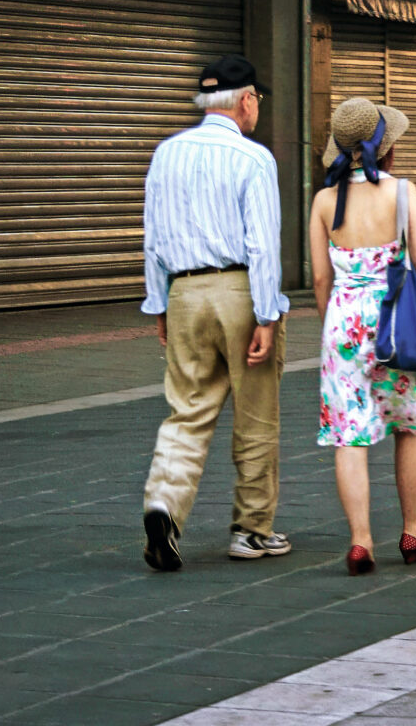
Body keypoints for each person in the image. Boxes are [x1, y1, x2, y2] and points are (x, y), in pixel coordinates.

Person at [140, 54, 290, 571]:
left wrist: (158, 302)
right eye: (258, 101)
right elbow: (263, 245)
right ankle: (251, 530)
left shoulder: (165, 153)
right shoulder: (254, 158)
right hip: (240, 290)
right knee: (255, 415)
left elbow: (153, 238)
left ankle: (163, 505)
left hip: (183, 291)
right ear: (246, 100)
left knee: (187, 410)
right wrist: (267, 315)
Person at [309, 96, 416, 576]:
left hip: (343, 321)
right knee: (408, 427)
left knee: (349, 435)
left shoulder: (324, 201)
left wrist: (331, 322)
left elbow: (319, 280)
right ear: (386, 148)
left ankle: (360, 541)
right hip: (398, 320)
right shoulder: (402, 192)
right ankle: (412, 531)